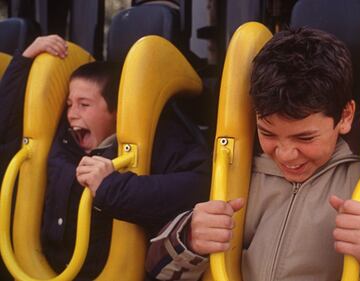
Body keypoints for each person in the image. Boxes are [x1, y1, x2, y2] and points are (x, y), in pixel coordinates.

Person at [145, 27, 360, 280]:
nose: (285, 155)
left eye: (304, 137)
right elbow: (157, 269)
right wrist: (189, 239)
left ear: (345, 116)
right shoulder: (233, 166)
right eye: (268, 133)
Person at [0, 35, 211, 280]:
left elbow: (198, 184)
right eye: (69, 104)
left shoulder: (154, 141)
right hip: (42, 270)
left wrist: (112, 188)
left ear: (117, 111)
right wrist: (24, 60)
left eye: (84, 104)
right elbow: (7, 127)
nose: (71, 114)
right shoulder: (62, 140)